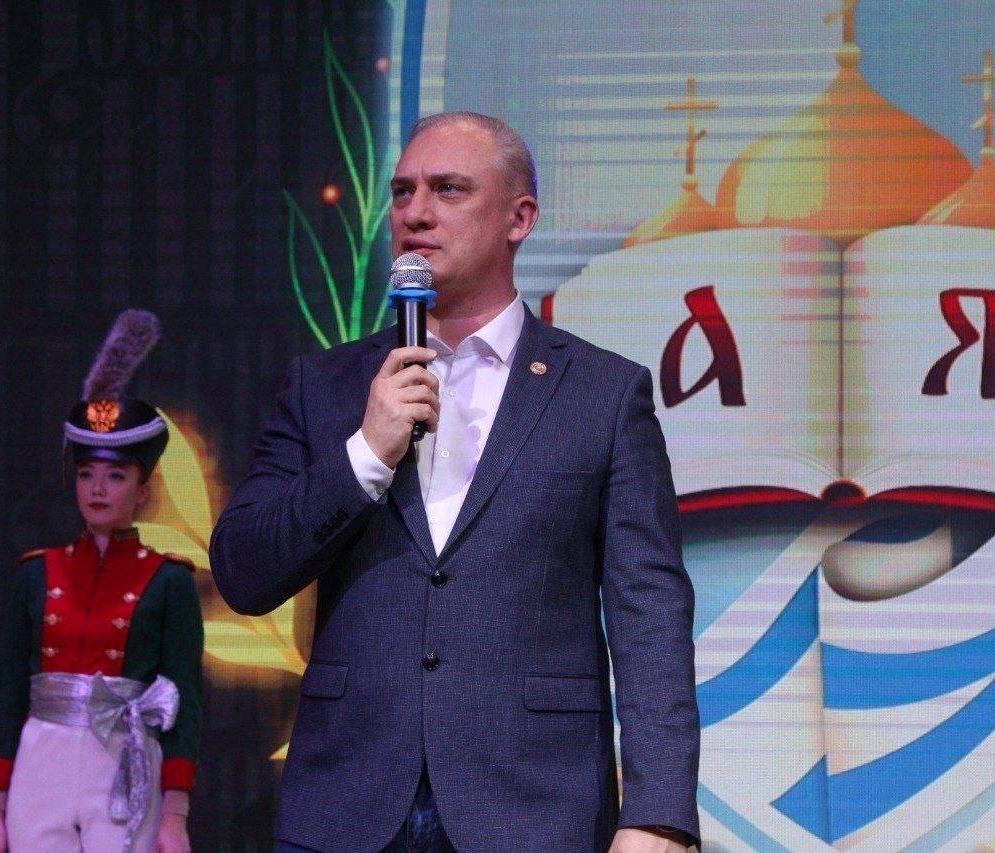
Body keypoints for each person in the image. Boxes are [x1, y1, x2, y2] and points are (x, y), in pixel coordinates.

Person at [210, 112, 700, 852]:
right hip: (346, 805)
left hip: (533, 809)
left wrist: (658, 811)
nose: (415, 213)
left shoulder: (602, 394)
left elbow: (649, 610)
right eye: (402, 191)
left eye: (448, 189)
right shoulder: (326, 386)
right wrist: (364, 455)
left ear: (519, 219)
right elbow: (243, 571)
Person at [0, 310, 203, 853]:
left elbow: (185, 701)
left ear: (143, 491)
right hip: (40, 762)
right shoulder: (37, 573)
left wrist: (175, 815)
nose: (98, 488)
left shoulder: (168, 580)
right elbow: (8, 695)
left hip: (124, 759)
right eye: (86, 474)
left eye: (116, 475)